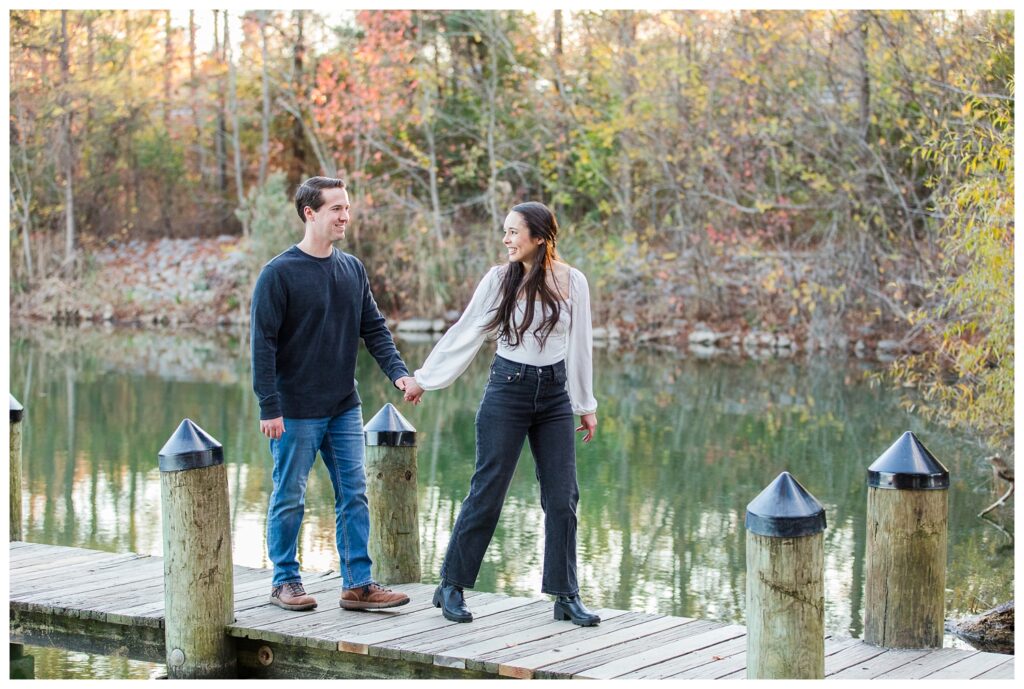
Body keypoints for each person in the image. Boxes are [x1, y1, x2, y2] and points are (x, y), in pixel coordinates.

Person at [402, 201, 600, 626]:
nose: (506, 240)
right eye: (505, 232)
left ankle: (565, 595)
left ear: (540, 237)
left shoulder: (574, 282)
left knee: (563, 498)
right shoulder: (498, 280)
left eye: (514, 232)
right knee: (488, 490)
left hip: (554, 397)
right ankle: (451, 584)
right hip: (507, 392)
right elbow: (467, 332)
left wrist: (585, 406)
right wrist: (425, 378)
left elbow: (580, 345)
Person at [251, 176, 415, 612]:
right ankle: (285, 582)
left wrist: (398, 375)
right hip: (295, 410)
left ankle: (357, 584)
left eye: (347, 208)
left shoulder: (351, 268)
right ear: (310, 213)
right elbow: (262, 344)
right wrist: (270, 406)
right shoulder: (278, 273)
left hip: (343, 405)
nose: (345, 216)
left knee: (354, 494)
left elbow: (374, 328)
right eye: (335, 209)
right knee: (290, 496)